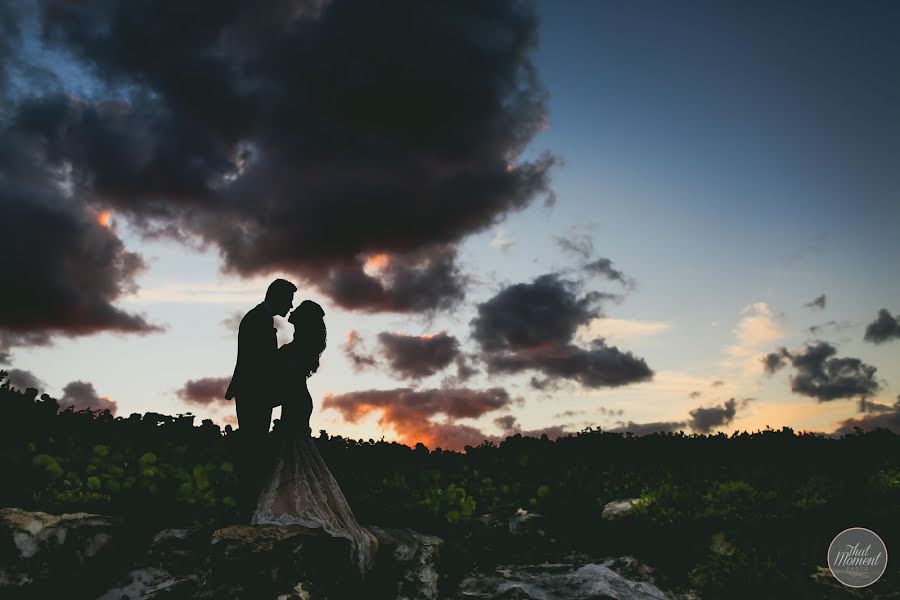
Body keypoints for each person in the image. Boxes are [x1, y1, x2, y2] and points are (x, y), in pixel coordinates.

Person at [252, 300, 379, 577]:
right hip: (296, 400)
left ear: (304, 321)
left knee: (291, 450)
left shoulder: (298, 350)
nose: (292, 310)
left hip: (295, 402)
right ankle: (291, 501)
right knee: (292, 453)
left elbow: (284, 377)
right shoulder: (303, 346)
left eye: (297, 311)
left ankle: (290, 505)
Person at [225, 278, 297, 518]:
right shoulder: (258, 320)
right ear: (277, 297)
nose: (291, 306)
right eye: (289, 300)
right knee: (253, 445)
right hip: (253, 393)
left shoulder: (259, 318)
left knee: (254, 444)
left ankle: (248, 502)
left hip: (254, 391)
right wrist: (286, 355)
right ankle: (247, 504)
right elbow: (260, 362)